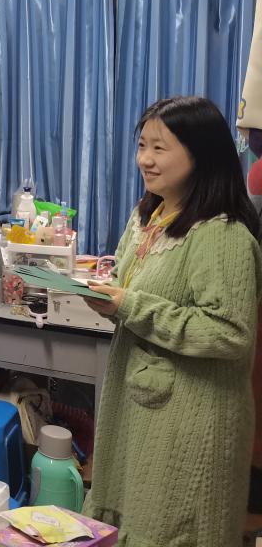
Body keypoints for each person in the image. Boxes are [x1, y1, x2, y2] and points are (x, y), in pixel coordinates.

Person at [84, 95, 261, 546]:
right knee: (133, 521)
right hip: (141, 408)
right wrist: (104, 292)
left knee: (173, 529)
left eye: (159, 148)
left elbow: (230, 333)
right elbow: (127, 283)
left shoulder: (222, 233)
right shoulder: (148, 215)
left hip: (190, 423)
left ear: (201, 153)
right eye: (142, 145)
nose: (145, 159)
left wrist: (128, 305)